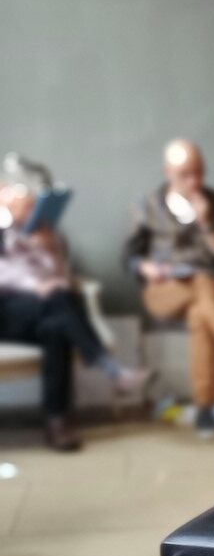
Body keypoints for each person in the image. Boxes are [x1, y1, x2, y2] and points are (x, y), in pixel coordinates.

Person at [0, 157, 151, 451]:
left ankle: (57, 422)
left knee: (56, 327)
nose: (26, 204)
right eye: (20, 197)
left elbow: (64, 279)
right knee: (58, 300)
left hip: (39, 311)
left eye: (31, 199)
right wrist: (39, 286)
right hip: (4, 312)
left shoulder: (39, 232)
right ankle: (111, 370)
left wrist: (50, 248)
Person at [124, 139, 214, 440]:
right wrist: (144, 267)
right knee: (204, 283)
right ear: (168, 172)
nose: (194, 181)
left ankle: (205, 409)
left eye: (199, 172)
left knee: (200, 314)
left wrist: (206, 223)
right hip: (162, 290)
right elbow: (129, 257)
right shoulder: (146, 206)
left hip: (204, 292)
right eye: (185, 174)